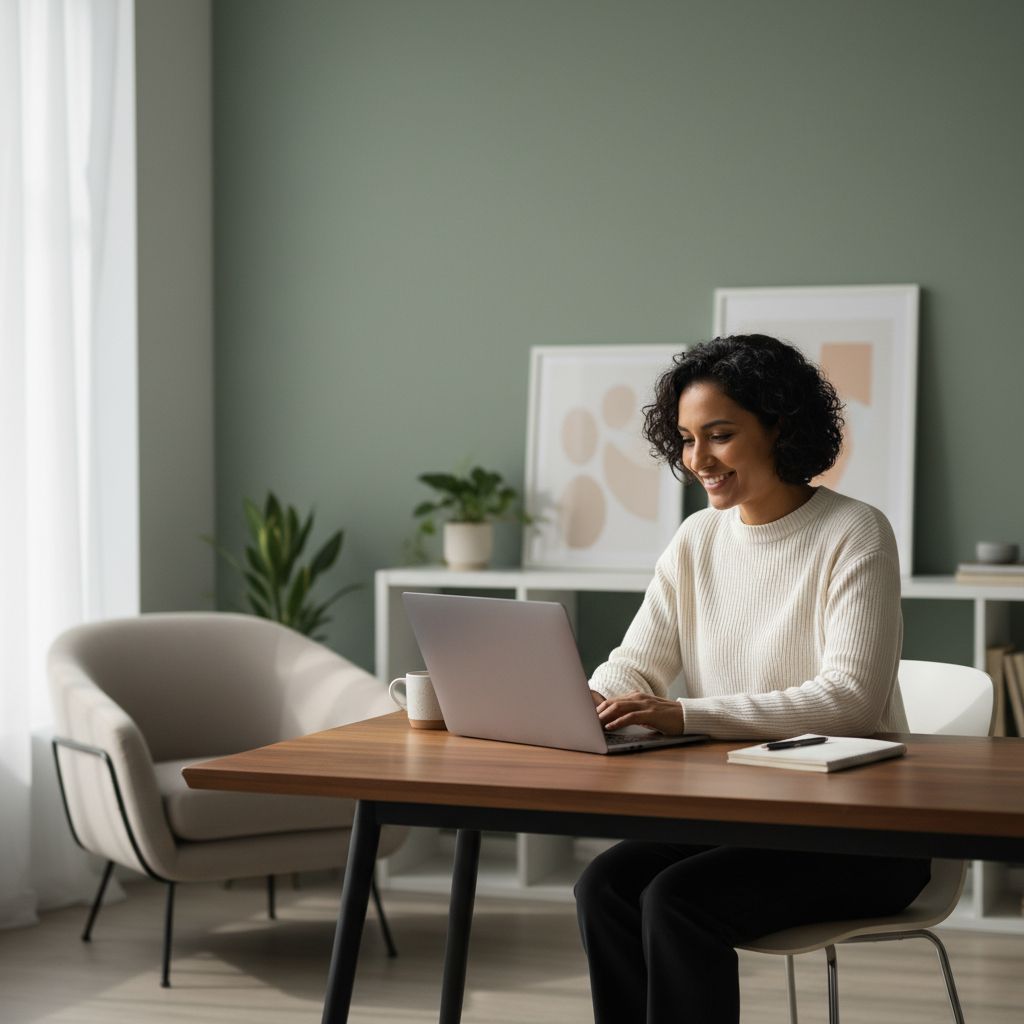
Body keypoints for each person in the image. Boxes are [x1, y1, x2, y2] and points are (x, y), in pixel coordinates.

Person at [573, 334, 930, 1024]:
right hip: (738, 817)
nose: (697, 460)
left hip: (863, 832)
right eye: (684, 438)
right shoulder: (697, 540)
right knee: (605, 885)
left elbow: (850, 704)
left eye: (720, 435)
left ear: (781, 425)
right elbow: (636, 661)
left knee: (675, 900)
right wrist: (590, 697)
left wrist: (680, 714)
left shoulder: (855, 532)